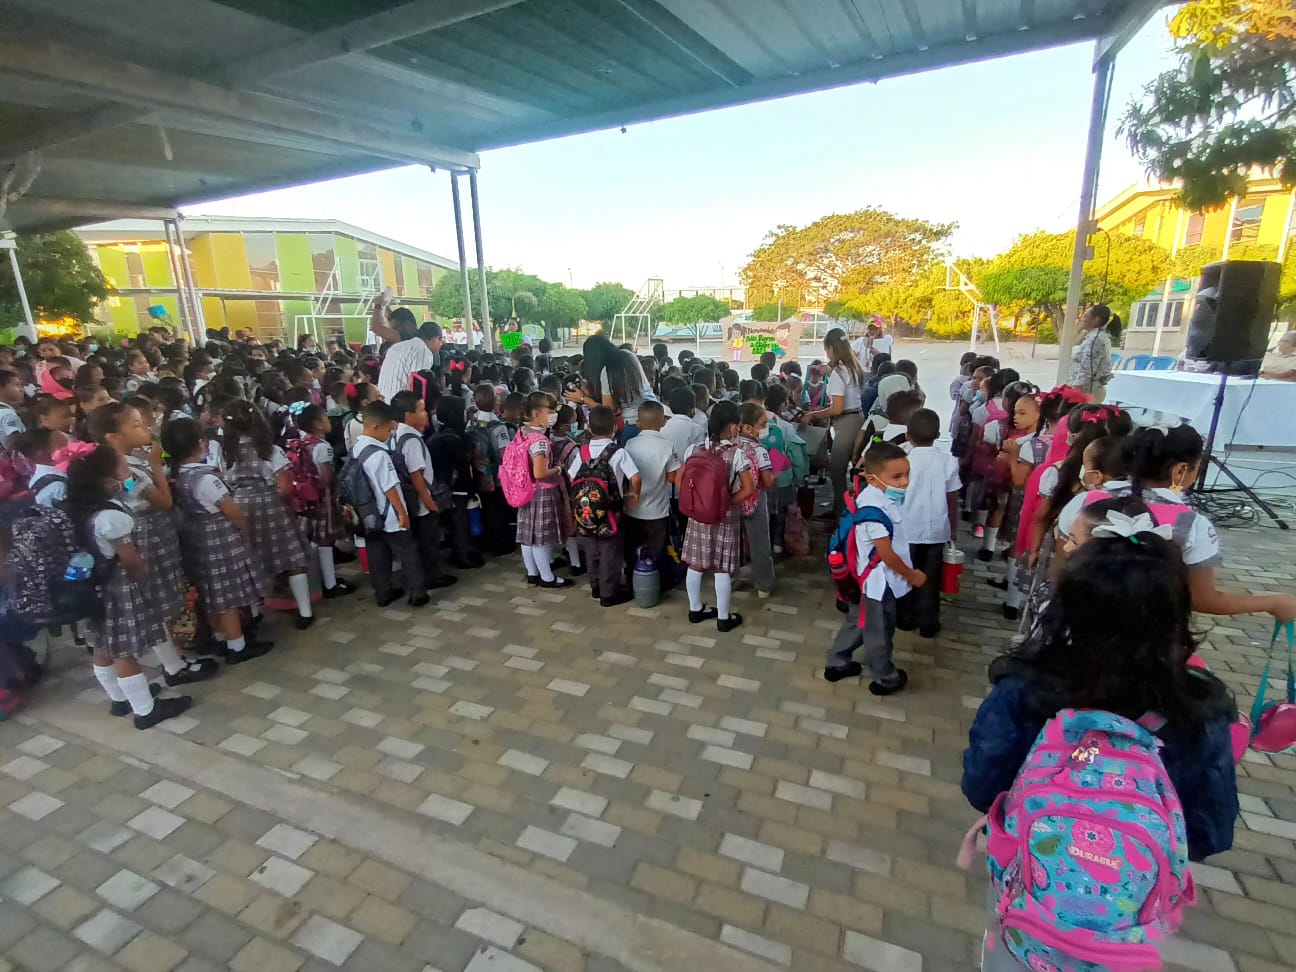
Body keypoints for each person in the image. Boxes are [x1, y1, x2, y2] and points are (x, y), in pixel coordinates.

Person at [961, 509, 1239, 859]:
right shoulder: (1198, 710)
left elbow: (981, 785)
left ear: (1067, 607)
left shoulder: (1024, 689)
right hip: (1138, 884)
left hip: (1030, 867)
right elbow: (1211, 830)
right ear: (1175, 614)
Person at [87, 403, 218, 687]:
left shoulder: (128, 460)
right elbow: (162, 500)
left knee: (161, 597)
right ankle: (173, 666)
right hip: (148, 537)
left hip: (155, 534)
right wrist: (156, 464)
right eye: (135, 425)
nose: (145, 428)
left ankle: (173, 659)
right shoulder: (123, 471)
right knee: (155, 600)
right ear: (113, 437)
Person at [65, 447, 194, 728]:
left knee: (102, 645)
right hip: (118, 588)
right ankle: (145, 710)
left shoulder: (80, 508)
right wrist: (144, 581)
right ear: (106, 480)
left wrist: (137, 479)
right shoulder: (111, 517)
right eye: (123, 467)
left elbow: (132, 490)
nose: (129, 472)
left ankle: (120, 698)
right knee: (124, 652)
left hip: (94, 588)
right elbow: (131, 560)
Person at [162, 418, 271, 665]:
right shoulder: (206, 479)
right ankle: (237, 646)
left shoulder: (174, 476)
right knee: (227, 596)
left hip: (195, 539)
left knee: (211, 593)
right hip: (220, 541)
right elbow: (233, 511)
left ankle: (220, 638)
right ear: (201, 444)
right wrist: (244, 527)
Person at [824, 442, 924, 693]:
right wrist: (912, 576)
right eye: (897, 477)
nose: (905, 482)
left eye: (907, 474)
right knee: (879, 632)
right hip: (879, 584)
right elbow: (887, 555)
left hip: (866, 579)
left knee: (858, 620)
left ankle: (837, 662)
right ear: (872, 478)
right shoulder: (873, 511)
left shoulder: (874, 495)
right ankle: (885, 676)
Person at [219, 401, 316, 629]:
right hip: (271, 506)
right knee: (292, 559)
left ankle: (255, 613)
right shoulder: (270, 451)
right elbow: (286, 487)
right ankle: (305, 611)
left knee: (249, 560)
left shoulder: (226, 454)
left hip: (239, 508)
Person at [680, 400, 756, 633]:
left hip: (698, 515)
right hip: (725, 517)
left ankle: (695, 609)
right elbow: (748, 489)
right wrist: (725, 502)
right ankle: (724, 617)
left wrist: (700, 500)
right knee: (722, 567)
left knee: (695, 563)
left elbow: (679, 480)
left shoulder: (694, 450)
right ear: (733, 428)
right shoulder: (737, 454)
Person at [351, 400, 427, 607]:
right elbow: (390, 488)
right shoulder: (380, 455)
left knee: (378, 554)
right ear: (376, 427)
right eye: (388, 430)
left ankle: (383, 592)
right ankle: (418, 592)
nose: (390, 434)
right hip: (390, 514)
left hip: (369, 514)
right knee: (408, 552)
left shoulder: (357, 449)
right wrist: (402, 513)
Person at [568, 405, 641, 606]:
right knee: (610, 553)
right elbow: (635, 476)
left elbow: (572, 478)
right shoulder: (618, 453)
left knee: (591, 552)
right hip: (611, 514)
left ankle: (596, 587)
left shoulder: (582, 452)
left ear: (589, 428)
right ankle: (609, 594)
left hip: (585, 514)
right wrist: (634, 493)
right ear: (615, 428)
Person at [897, 409, 959, 638]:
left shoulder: (902, 459)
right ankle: (928, 623)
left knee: (905, 573)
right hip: (937, 530)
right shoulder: (948, 461)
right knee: (931, 578)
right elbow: (952, 497)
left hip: (907, 528)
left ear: (908, 434)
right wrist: (953, 527)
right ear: (938, 435)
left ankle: (904, 619)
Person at [389, 390, 457, 595]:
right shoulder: (412, 440)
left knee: (423, 539)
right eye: (421, 410)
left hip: (410, 498)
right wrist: (429, 502)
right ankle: (433, 576)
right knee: (429, 540)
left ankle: (429, 573)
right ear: (408, 415)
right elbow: (417, 475)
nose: (426, 413)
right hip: (420, 501)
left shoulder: (396, 435)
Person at [286, 405, 357, 600]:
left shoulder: (302, 443)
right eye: (325, 418)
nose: (329, 421)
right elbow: (327, 477)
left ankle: (322, 579)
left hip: (306, 498)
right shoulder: (323, 447)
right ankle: (330, 583)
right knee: (325, 539)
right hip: (322, 498)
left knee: (316, 538)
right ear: (317, 424)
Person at [802, 328, 866, 518]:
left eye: (826, 350)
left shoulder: (839, 372)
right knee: (843, 468)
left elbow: (837, 408)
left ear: (831, 348)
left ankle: (841, 513)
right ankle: (841, 509)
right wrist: (828, 369)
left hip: (846, 421)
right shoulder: (852, 366)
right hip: (856, 418)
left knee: (838, 471)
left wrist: (813, 415)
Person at [514, 392, 574, 589]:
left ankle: (532, 573)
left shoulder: (523, 431)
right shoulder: (539, 440)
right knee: (540, 538)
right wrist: (558, 469)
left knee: (527, 535)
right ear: (536, 413)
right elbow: (540, 473)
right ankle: (547, 578)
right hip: (542, 492)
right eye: (550, 411)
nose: (554, 415)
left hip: (525, 489)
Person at [623, 401, 678, 587]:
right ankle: (658, 584)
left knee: (633, 548)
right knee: (657, 551)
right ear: (663, 422)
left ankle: (632, 581)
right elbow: (672, 478)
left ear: (638, 423)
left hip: (633, 509)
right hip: (657, 511)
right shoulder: (668, 446)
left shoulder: (630, 444)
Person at [565, 334, 652, 438]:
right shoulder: (629, 355)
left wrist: (582, 398)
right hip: (654, 412)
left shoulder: (607, 372)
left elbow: (607, 411)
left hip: (634, 422)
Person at [736, 402, 776, 598]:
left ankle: (731, 580)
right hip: (755, 500)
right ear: (747, 428)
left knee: (732, 543)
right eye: (762, 424)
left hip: (732, 501)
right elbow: (767, 482)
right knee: (760, 543)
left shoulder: (730, 445)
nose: (766, 428)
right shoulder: (759, 450)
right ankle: (763, 585)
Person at [371, 297, 441, 400]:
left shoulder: (397, 346)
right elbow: (417, 387)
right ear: (436, 338)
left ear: (408, 324)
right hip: (400, 406)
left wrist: (382, 303)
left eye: (396, 328)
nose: (394, 332)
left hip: (384, 405)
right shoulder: (422, 350)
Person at [1069, 304, 1120, 401]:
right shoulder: (1096, 337)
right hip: (1088, 390)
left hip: (1087, 392)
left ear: (1097, 319)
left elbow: (1088, 370)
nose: (1082, 319)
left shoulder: (1095, 340)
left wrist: (1077, 391)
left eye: (1085, 316)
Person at [14, 429, 68, 507]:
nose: (70, 447)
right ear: (42, 453)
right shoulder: (57, 486)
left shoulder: (36, 478)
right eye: (63, 444)